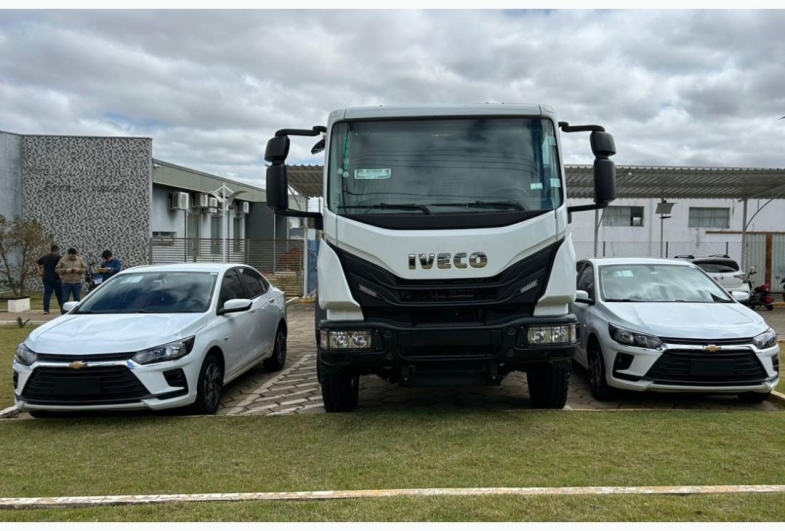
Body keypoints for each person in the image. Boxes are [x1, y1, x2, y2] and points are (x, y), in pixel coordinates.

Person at [35, 244, 63, 315]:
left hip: (46, 278)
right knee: (59, 294)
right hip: (56, 278)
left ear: (50, 250)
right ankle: (62, 308)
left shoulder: (45, 257)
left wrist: (40, 272)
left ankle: (46, 310)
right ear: (57, 250)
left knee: (47, 294)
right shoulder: (59, 257)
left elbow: (37, 263)